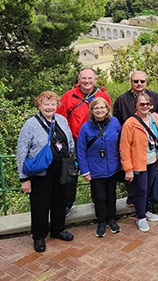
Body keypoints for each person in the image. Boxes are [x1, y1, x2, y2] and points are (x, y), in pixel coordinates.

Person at [17, 91, 75, 252]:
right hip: (41, 173)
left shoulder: (62, 120)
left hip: (61, 170)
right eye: (46, 104)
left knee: (60, 201)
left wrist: (72, 162)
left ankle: (58, 229)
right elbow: (22, 152)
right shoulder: (30, 125)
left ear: (57, 105)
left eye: (52, 104)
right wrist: (24, 179)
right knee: (40, 205)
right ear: (39, 105)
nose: (49, 107)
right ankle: (39, 236)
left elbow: (69, 141)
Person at [57, 67, 111, 217]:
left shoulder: (103, 95)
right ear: (78, 79)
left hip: (95, 141)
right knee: (70, 175)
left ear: (95, 80)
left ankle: (98, 202)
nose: (87, 81)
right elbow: (60, 120)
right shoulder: (68, 96)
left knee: (97, 173)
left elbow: (108, 117)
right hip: (73, 142)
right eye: (84, 78)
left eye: (90, 78)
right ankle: (67, 204)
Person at [113, 70, 158, 208]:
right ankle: (134, 200)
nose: (139, 84)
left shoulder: (153, 96)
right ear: (131, 82)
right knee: (132, 177)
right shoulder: (122, 100)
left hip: (149, 147)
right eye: (136, 81)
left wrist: (156, 115)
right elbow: (116, 120)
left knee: (147, 181)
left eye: (142, 81)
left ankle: (145, 204)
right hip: (130, 144)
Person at [77, 98, 123, 237]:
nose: (99, 110)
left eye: (102, 107)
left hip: (113, 167)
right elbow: (81, 150)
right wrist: (85, 171)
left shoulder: (114, 123)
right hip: (96, 169)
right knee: (99, 197)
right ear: (91, 110)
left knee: (111, 195)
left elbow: (122, 142)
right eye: (96, 108)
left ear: (107, 109)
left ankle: (111, 219)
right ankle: (101, 221)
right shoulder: (86, 127)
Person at [119, 93, 158, 232]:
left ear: (151, 105)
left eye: (147, 104)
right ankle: (141, 217)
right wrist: (128, 168)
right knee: (141, 189)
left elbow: (157, 139)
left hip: (152, 160)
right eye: (141, 104)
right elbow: (124, 147)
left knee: (148, 187)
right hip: (139, 162)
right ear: (135, 105)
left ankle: (145, 210)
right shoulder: (130, 123)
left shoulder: (153, 119)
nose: (145, 107)